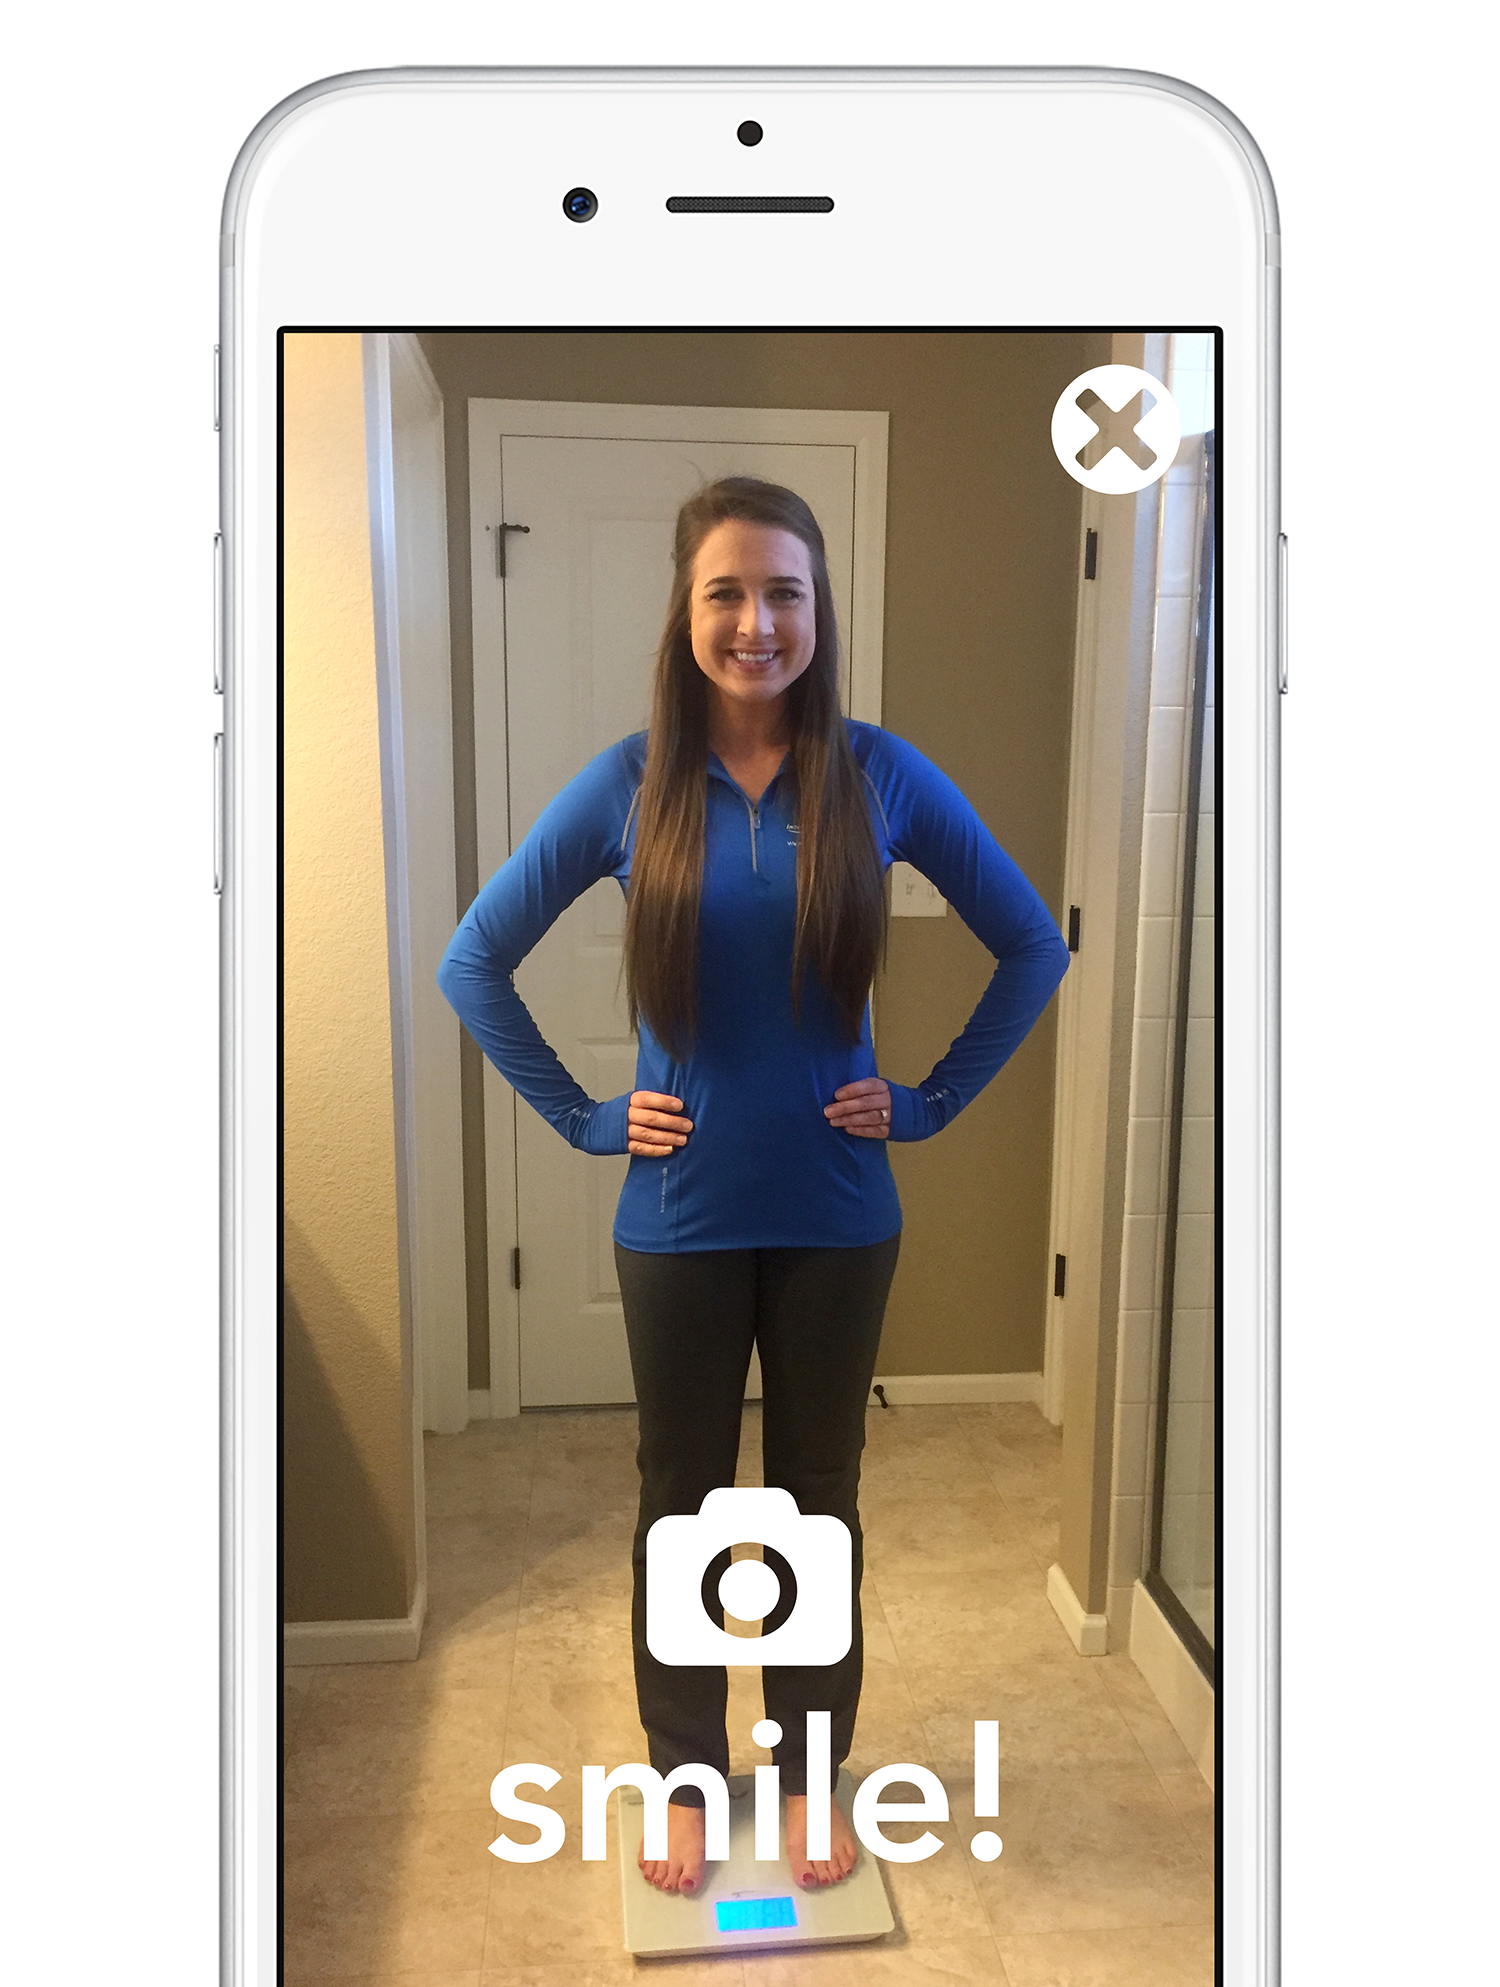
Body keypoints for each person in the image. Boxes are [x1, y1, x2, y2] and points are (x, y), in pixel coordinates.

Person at [437, 475, 1070, 1899]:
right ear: (685, 609)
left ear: (818, 608)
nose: (756, 622)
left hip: (842, 1216)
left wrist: (928, 1099)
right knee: (681, 1503)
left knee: (816, 1503)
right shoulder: (631, 782)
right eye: (726, 591)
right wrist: (587, 1117)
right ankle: (684, 1775)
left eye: (785, 591)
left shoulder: (877, 773)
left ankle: (805, 1770)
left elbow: (1032, 943)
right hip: (679, 1222)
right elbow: (473, 961)